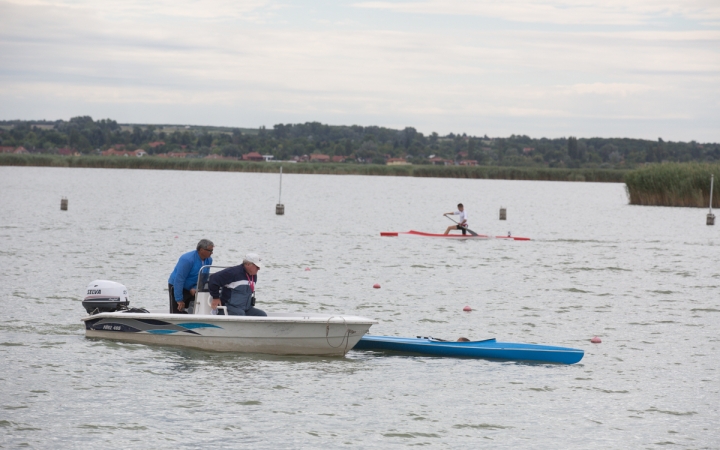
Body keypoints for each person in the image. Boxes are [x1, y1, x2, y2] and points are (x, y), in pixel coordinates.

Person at [168, 239, 214, 314]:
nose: (212, 253)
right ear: (201, 250)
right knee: (178, 310)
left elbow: (204, 277)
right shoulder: (187, 259)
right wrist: (179, 299)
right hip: (177, 285)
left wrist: (195, 288)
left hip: (193, 287)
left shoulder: (209, 260)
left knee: (194, 309)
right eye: (210, 250)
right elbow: (179, 279)